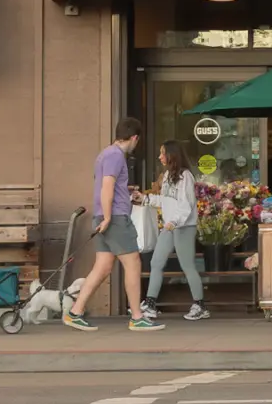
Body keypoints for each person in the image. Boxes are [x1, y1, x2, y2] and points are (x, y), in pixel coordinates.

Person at [68, 118, 160, 331]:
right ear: (135, 138)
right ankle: (137, 317)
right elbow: (107, 187)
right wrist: (109, 217)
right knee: (133, 262)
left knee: (103, 266)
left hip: (106, 216)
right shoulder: (116, 156)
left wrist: (123, 192)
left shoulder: (105, 154)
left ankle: (75, 311)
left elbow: (107, 185)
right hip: (115, 218)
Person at [143, 140, 207, 321]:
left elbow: (186, 204)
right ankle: (150, 303)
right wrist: (145, 199)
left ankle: (200, 304)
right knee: (156, 262)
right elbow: (164, 201)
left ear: (172, 155)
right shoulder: (167, 176)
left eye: (163, 153)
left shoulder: (185, 176)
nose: (160, 157)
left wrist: (174, 221)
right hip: (170, 226)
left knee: (187, 265)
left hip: (183, 226)